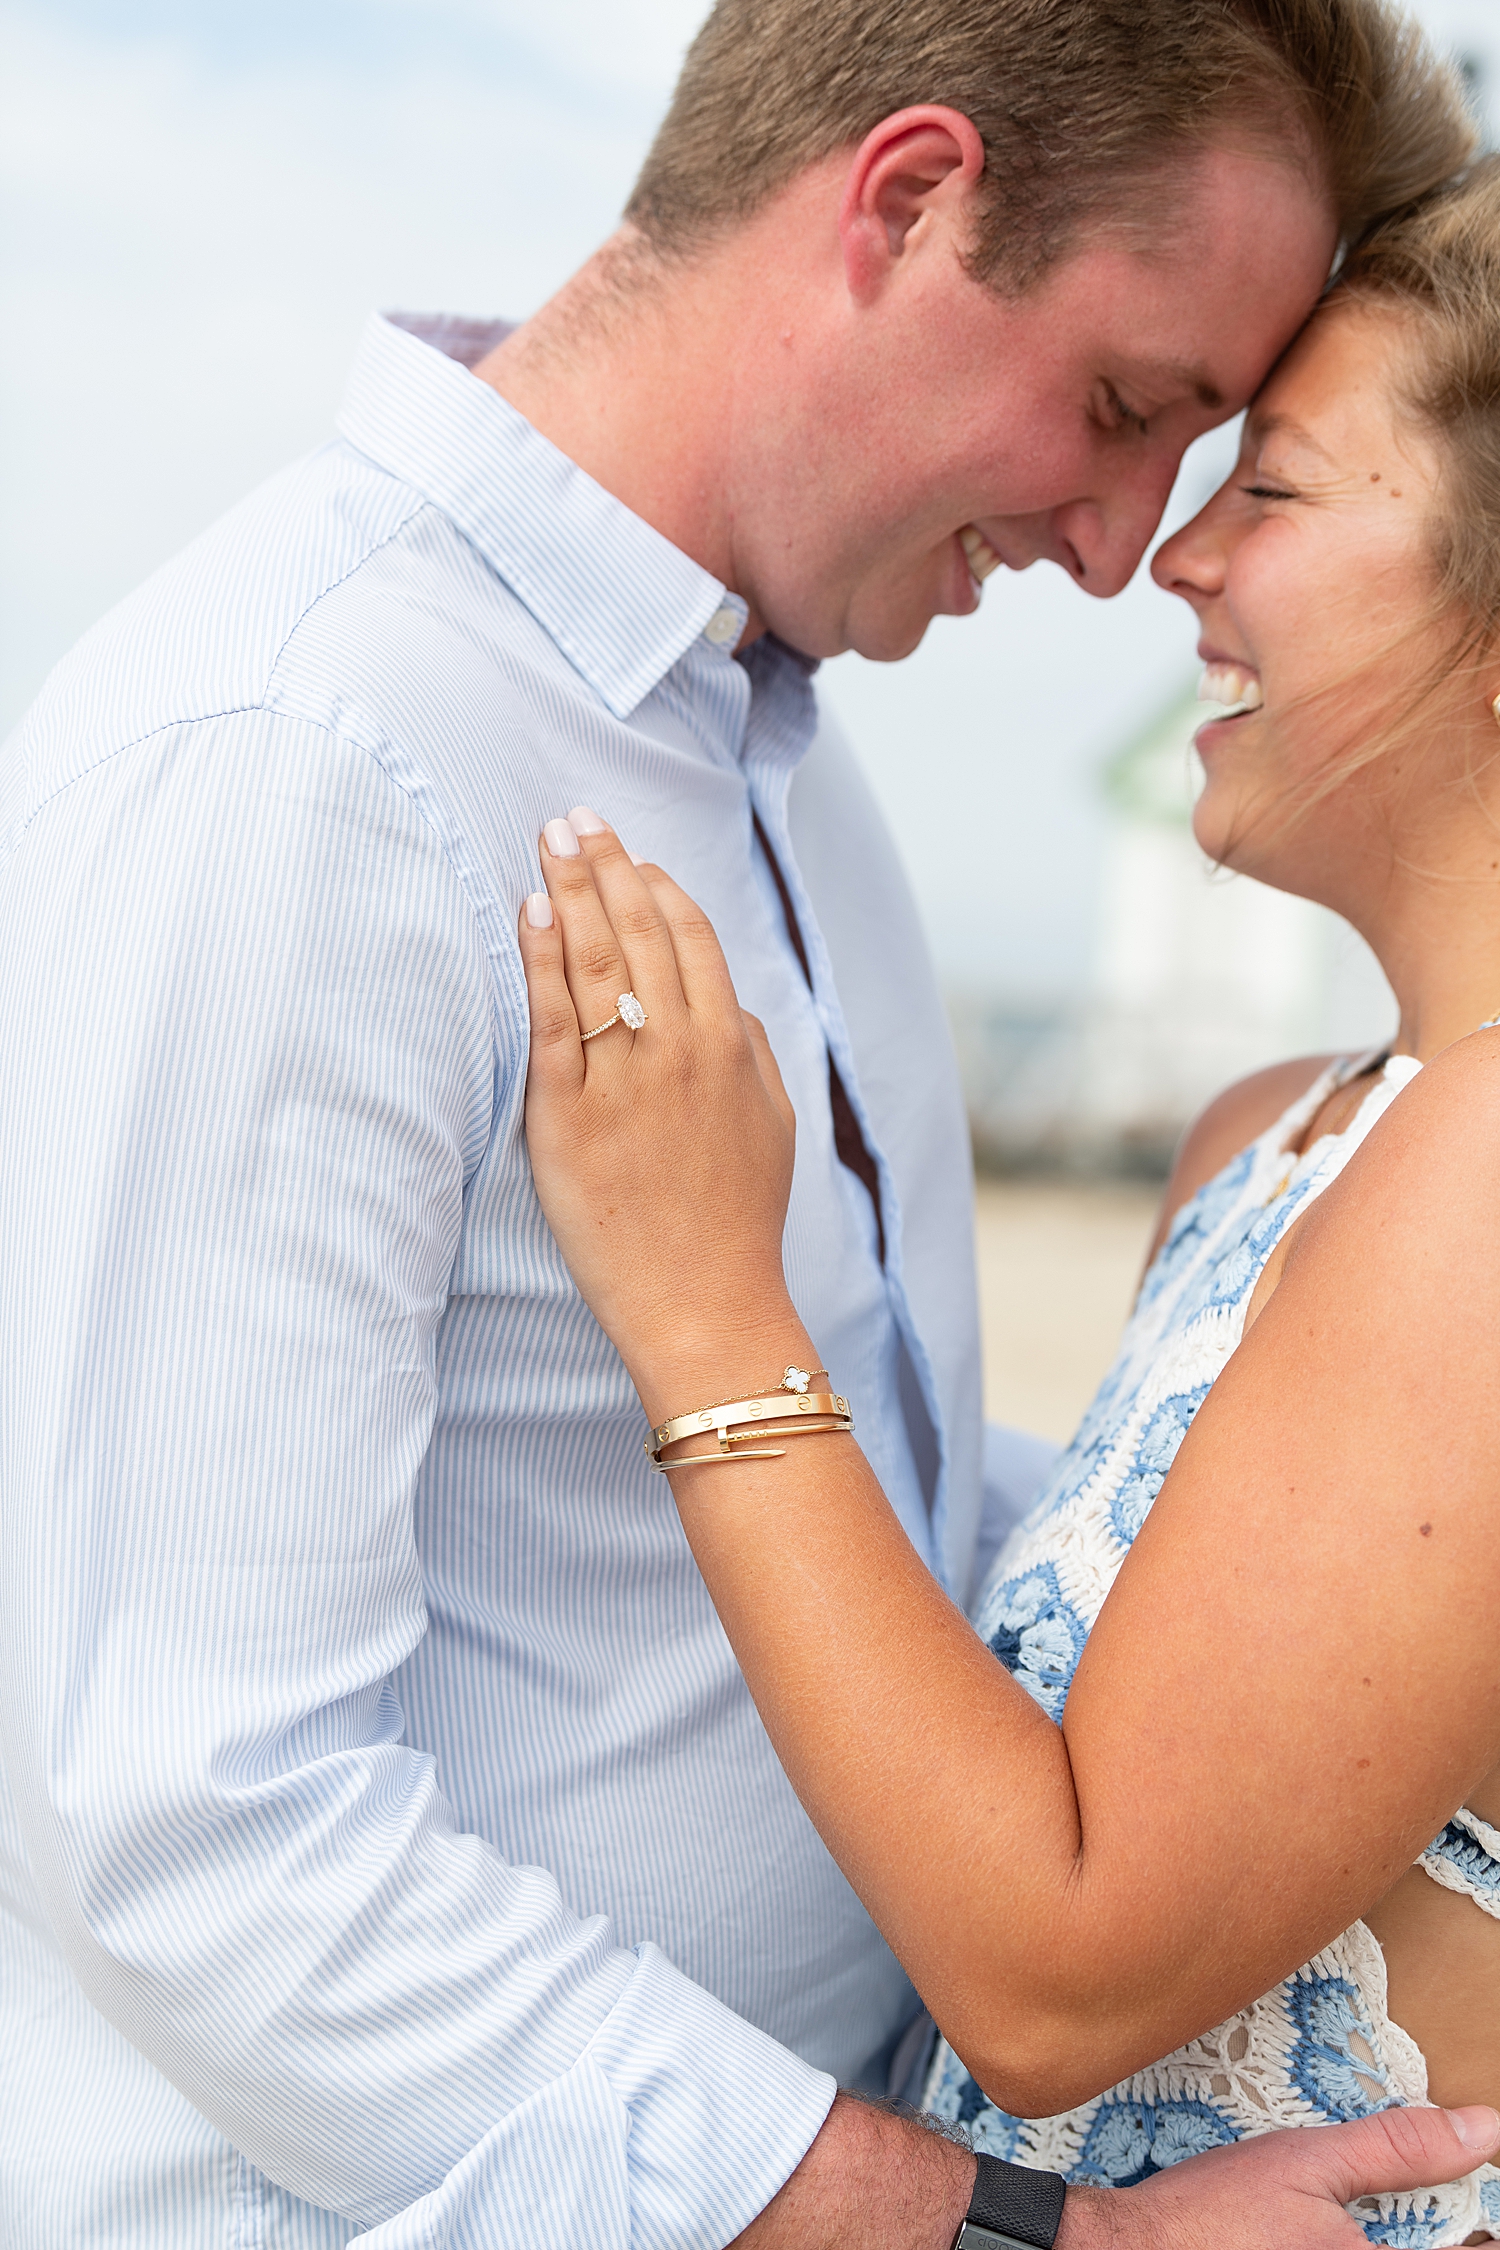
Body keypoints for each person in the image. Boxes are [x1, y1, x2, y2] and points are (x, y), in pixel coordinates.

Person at [0, 1, 1482, 2245]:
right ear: (906, 199)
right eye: (1121, 411)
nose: (1115, 555)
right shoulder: (300, 756)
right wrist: (999, 2230)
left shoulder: (791, 782)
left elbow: (945, 1509)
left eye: (1217, 469)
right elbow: (197, 1833)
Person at [515, 156, 1500, 2247]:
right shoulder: (1279, 1130)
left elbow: (1055, 1971)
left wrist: (708, 1308)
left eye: (1281, 494)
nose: (1179, 558)